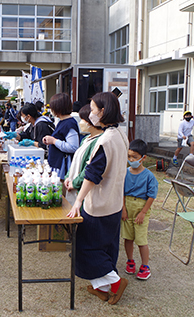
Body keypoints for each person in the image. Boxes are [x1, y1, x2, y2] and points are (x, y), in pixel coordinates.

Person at [67, 92, 129, 305]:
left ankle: (115, 282)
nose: (91, 114)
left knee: (86, 248)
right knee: (106, 247)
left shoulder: (106, 139)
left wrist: (77, 201)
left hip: (99, 205)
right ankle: (101, 287)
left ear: (103, 112)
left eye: (93, 110)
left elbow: (93, 175)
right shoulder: (120, 134)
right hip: (114, 203)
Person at [122, 139, 158, 281]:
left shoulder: (149, 176)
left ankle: (145, 266)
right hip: (127, 207)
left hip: (141, 208)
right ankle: (130, 261)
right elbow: (121, 192)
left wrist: (143, 212)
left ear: (143, 158)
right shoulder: (125, 173)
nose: (131, 159)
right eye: (129, 156)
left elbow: (151, 196)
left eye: (135, 157)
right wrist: (123, 209)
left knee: (141, 239)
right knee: (128, 237)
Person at [63, 104, 103, 205]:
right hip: (72, 184)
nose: (80, 123)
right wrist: (68, 177)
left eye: (82, 120)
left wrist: (75, 183)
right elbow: (75, 161)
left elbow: (88, 168)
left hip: (82, 190)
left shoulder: (99, 141)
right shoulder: (86, 139)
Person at [42, 93, 80, 179]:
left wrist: (54, 141)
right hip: (57, 163)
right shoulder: (62, 121)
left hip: (63, 165)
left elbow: (73, 147)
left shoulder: (69, 123)